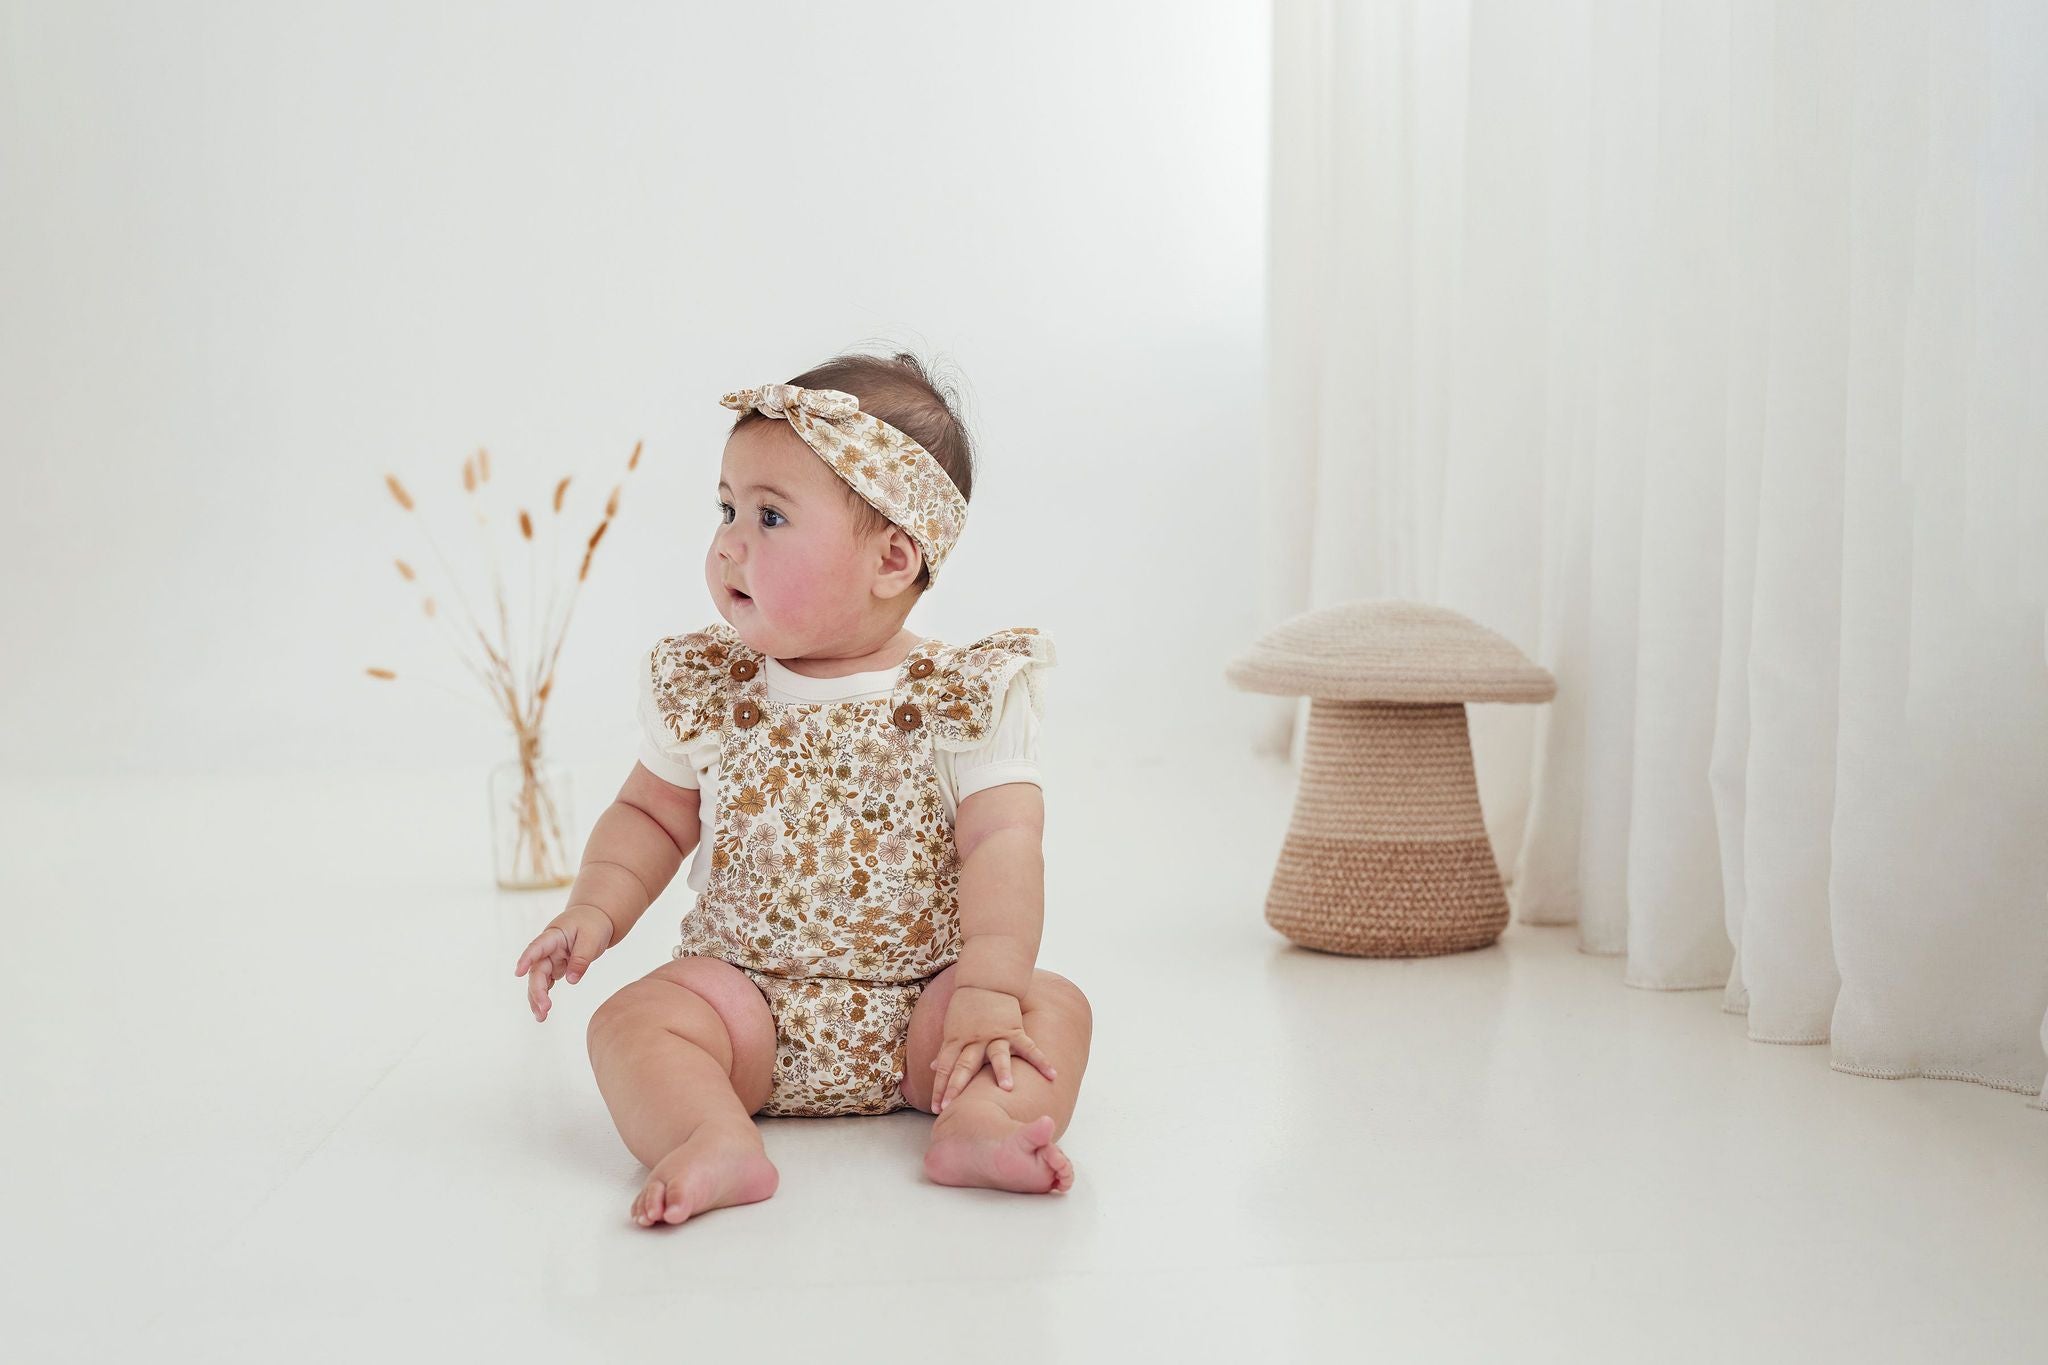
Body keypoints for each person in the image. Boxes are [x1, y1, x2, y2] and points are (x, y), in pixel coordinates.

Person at [513, 351, 1092, 1227]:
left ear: (892, 558)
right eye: (727, 508)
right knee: (631, 1021)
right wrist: (593, 909)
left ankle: (980, 1123)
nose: (728, 542)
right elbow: (647, 816)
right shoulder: (711, 688)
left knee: (1050, 1006)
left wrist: (987, 988)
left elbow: (1003, 843)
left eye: (771, 515)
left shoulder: (962, 696)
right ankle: (709, 1134)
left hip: (928, 1011)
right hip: (745, 1008)